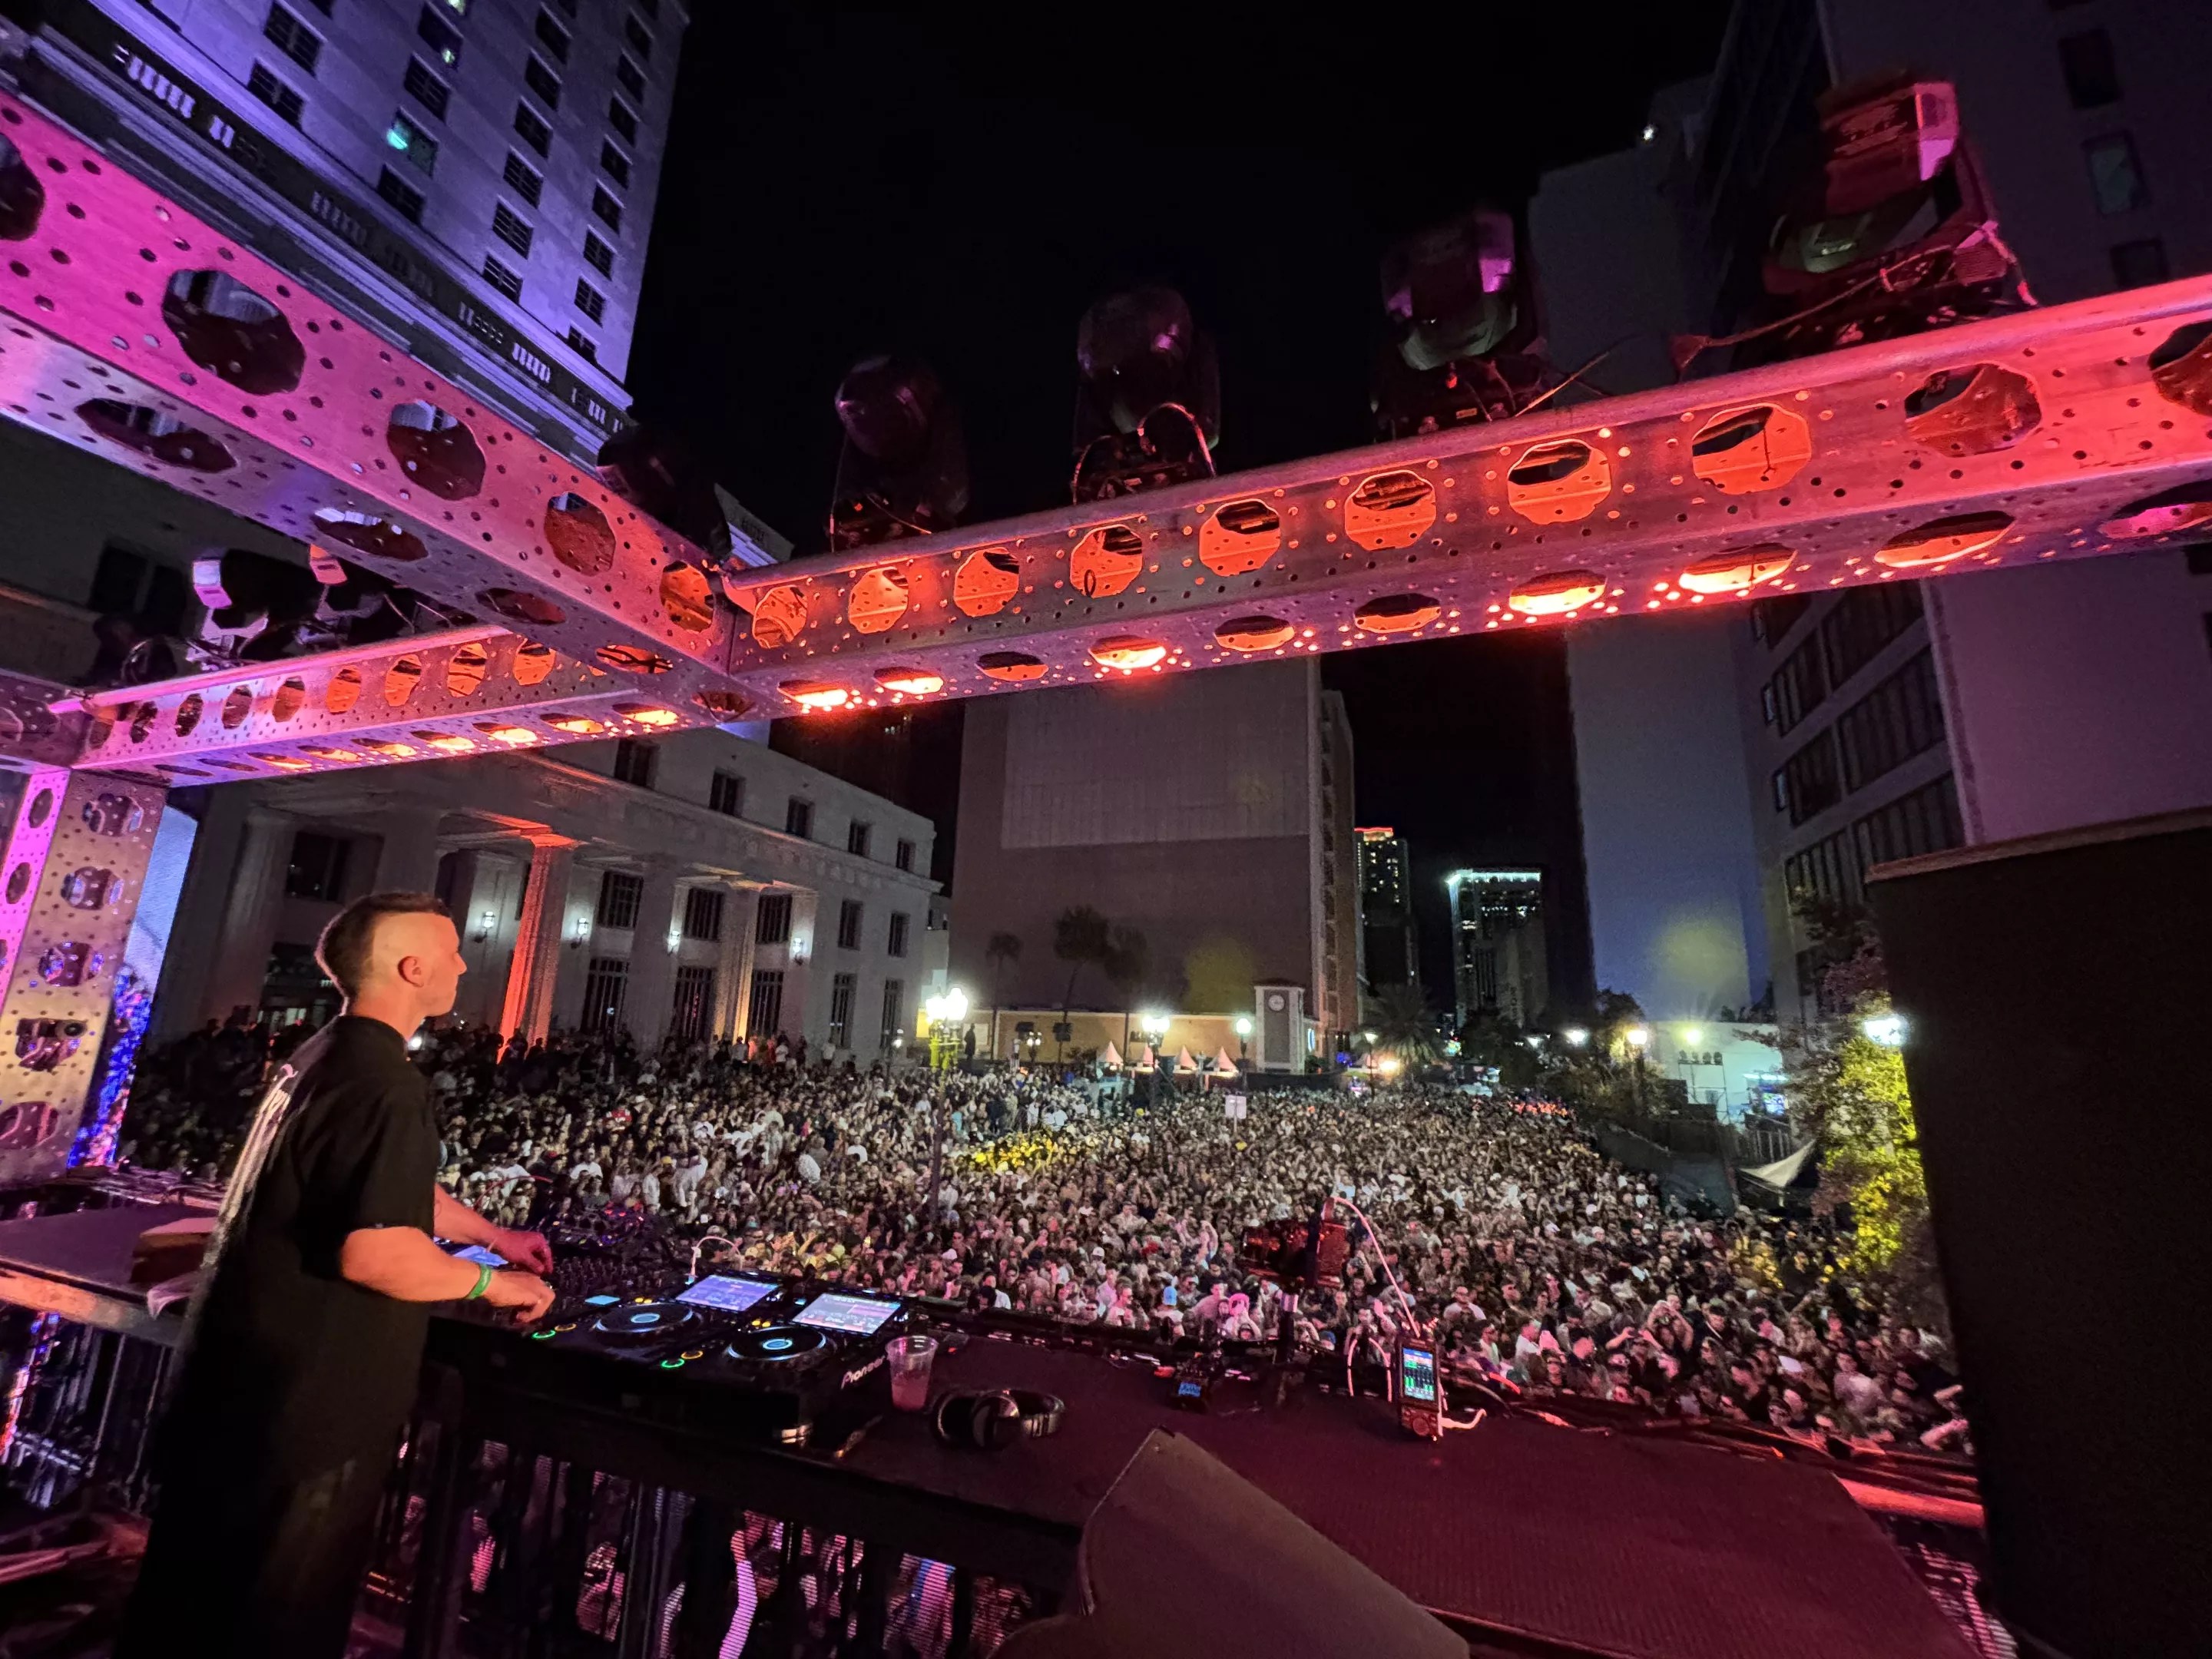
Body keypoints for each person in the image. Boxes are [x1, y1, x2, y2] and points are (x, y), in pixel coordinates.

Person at [117, 893, 557, 1659]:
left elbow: (374, 1181)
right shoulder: (387, 1083)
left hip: (236, 1398)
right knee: (273, 1627)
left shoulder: (322, 1057)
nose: (462, 962)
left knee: (184, 1618)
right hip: (306, 1420)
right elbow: (376, 1251)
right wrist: (495, 1285)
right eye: (451, 951)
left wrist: (489, 1235)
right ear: (412, 968)